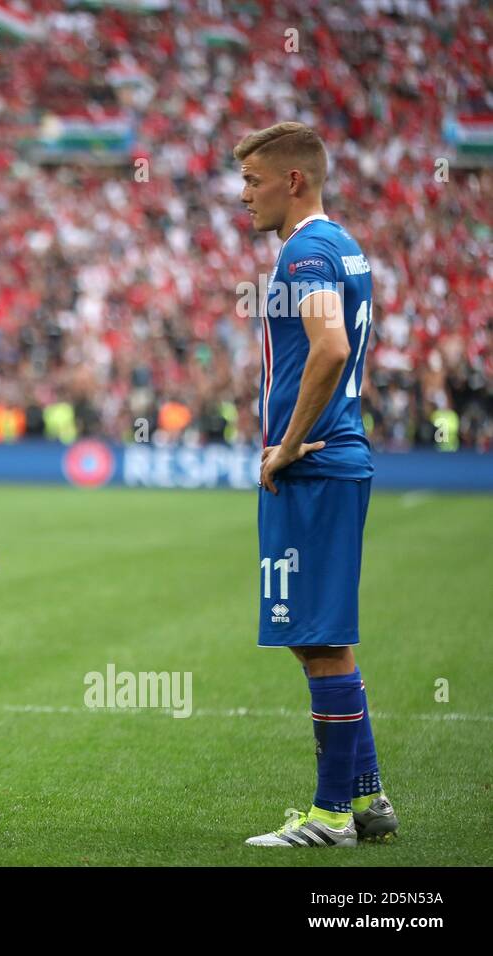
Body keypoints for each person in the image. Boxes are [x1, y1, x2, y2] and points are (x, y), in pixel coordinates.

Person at [235, 122, 397, 848]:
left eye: (252, 181)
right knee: (324, 638)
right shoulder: (342, 245)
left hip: (316, 464)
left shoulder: (304, 252)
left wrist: (288, 445)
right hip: (337, 461)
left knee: (318, 641)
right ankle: (367, 799)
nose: (243, 197)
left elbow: (329, 346)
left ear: (292, 181)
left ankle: (331, 817)